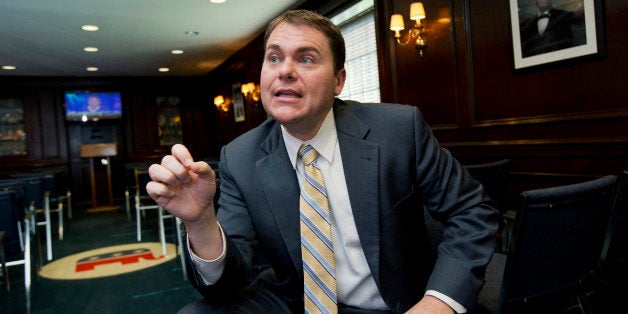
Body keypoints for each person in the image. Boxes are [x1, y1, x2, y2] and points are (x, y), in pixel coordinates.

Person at [147, 9, 498, 314]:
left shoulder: (398, 130)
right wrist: (200, 222)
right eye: (274, 57)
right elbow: (230, 281)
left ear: (338, 81)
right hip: (294, 300)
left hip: (400, 302)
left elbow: (472, 213)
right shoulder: (240, 156)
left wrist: (438, 302)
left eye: (306, 58)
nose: (285, 71)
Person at [519, 0, 586, 58]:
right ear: (534, 2)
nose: (543, 0)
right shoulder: (529, 25)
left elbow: (581, 19)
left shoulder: (563, 15)